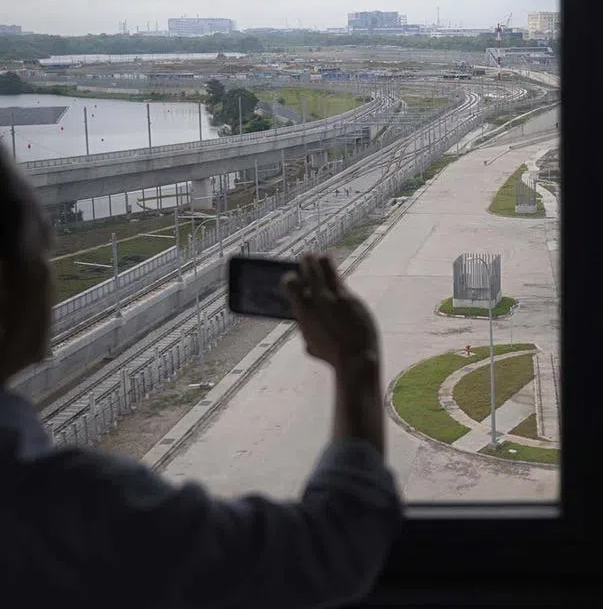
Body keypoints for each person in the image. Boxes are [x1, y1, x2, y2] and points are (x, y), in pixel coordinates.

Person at [0, 144, 402, 607]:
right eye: (42, 249)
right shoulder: (68, 510)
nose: (49, 276)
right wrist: (357, 359)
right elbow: (333, 548)